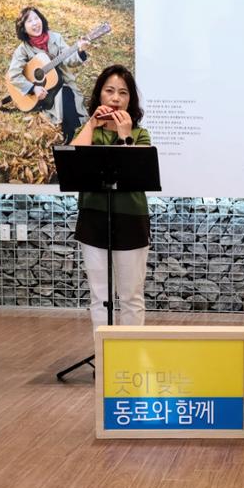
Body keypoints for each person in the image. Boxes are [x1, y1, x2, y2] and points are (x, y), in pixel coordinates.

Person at [71, 65, 151, 329]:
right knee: (99, 296)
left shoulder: (140, 135)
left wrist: (125, 135)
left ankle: (130, 352)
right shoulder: (89, 131)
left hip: (131, 219)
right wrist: (91, 124)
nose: (116, 98)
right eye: (109, 91)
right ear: (99, 95)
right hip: (93, 216)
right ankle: (103, 352)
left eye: (123, 93)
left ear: (131, 100)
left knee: (131, 296)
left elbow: (138, 173)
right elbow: (74, 162)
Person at [7, 6, 90, 143]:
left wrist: (80, 51)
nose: (35, 23)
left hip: (62, 81)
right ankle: (69, 133)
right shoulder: (23, 49)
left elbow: (69, 60)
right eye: (29, 21)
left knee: (67, 93)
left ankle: (72, 134)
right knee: (65, 97)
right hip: (44, 90)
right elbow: (13, 75)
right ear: (23, 28)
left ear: (42, 20)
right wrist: (33, 88)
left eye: (36, 18)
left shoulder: (56, 38)